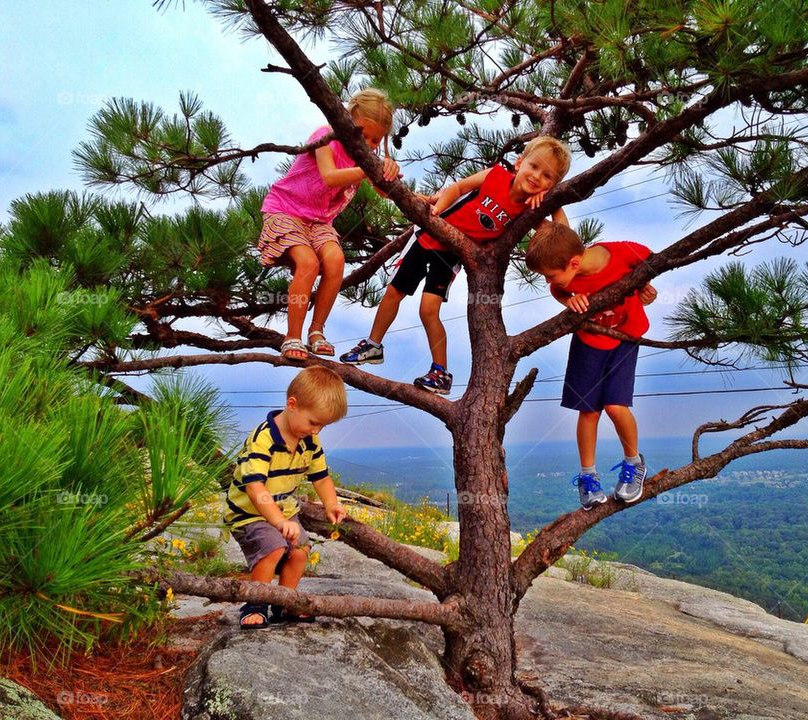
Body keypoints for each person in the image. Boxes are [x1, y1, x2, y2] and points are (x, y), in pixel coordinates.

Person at [339, 136, 572, 395]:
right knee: (395, 292)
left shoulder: (530, 209)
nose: (537, 176)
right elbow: (459, 188)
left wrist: (554, 202)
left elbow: (562, 239)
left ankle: (440, 372)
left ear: (551, 185)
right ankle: (373, 345)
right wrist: (437, 210)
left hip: (451, 254)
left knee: (428, 310)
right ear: (519, 163)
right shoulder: (495, 175)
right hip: (428, 236)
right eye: (534, 167)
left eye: (548, 176)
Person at [258, 88, 400, 362]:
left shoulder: (364, 157)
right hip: (285, 210)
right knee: (308, 263)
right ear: (347, 120)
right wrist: (369, 169)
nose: (369, 144)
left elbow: (385, 191)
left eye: (376, 140)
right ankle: (293, 336)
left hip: (319, 221)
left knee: (335, 260)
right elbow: (329, 176)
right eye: (363, 134)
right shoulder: (325, 136)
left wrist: (389, 170)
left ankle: (316, 331)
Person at [525, 222, 657, 510]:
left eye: (551, 275)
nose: (550, 281)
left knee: (615, 406)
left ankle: (634, 463)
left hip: (625, 336)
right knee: (589, 411)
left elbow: (654, 261)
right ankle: (588, 478)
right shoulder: (567, 278)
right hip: (588, 342)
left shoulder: (623, 253)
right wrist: (568, 298)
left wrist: (648, 287)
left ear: (573, 262)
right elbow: (556, 290)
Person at [224, 366, 349, 628]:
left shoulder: (310, 442)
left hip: (284, 511)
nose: (316, 431)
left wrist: (331, 504)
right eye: (313, 422)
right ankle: (256, 601)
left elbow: (322, 477)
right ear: (292, 404)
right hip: (249, 513)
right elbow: (255, 489)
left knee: (300, 551)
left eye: (323, 426)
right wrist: (279, 522)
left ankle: (285, 602)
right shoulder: (264, 439)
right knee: (273, 547)